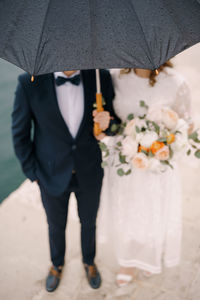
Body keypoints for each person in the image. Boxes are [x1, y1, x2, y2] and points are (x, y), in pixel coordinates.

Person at [12, 69, 119, 292]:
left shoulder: (100, 76)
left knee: (89, 221)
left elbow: (114, 122)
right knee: (55, 224)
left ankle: (89, 261)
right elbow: (20, 134)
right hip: (49, 173)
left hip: (89, 169)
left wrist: (107, 122)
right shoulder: (28, 82)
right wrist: (33, 173)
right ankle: (56, 264)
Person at [97, 63, 193, 287]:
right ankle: (128, 261)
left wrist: (163, 137)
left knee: (153, 208)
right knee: (127, 210)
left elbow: (186, 123)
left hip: (158, 161)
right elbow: (112, 120)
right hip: (125, 158)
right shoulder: (114, 78)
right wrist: (104, 122)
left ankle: (150, 253)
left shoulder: (175, 82)